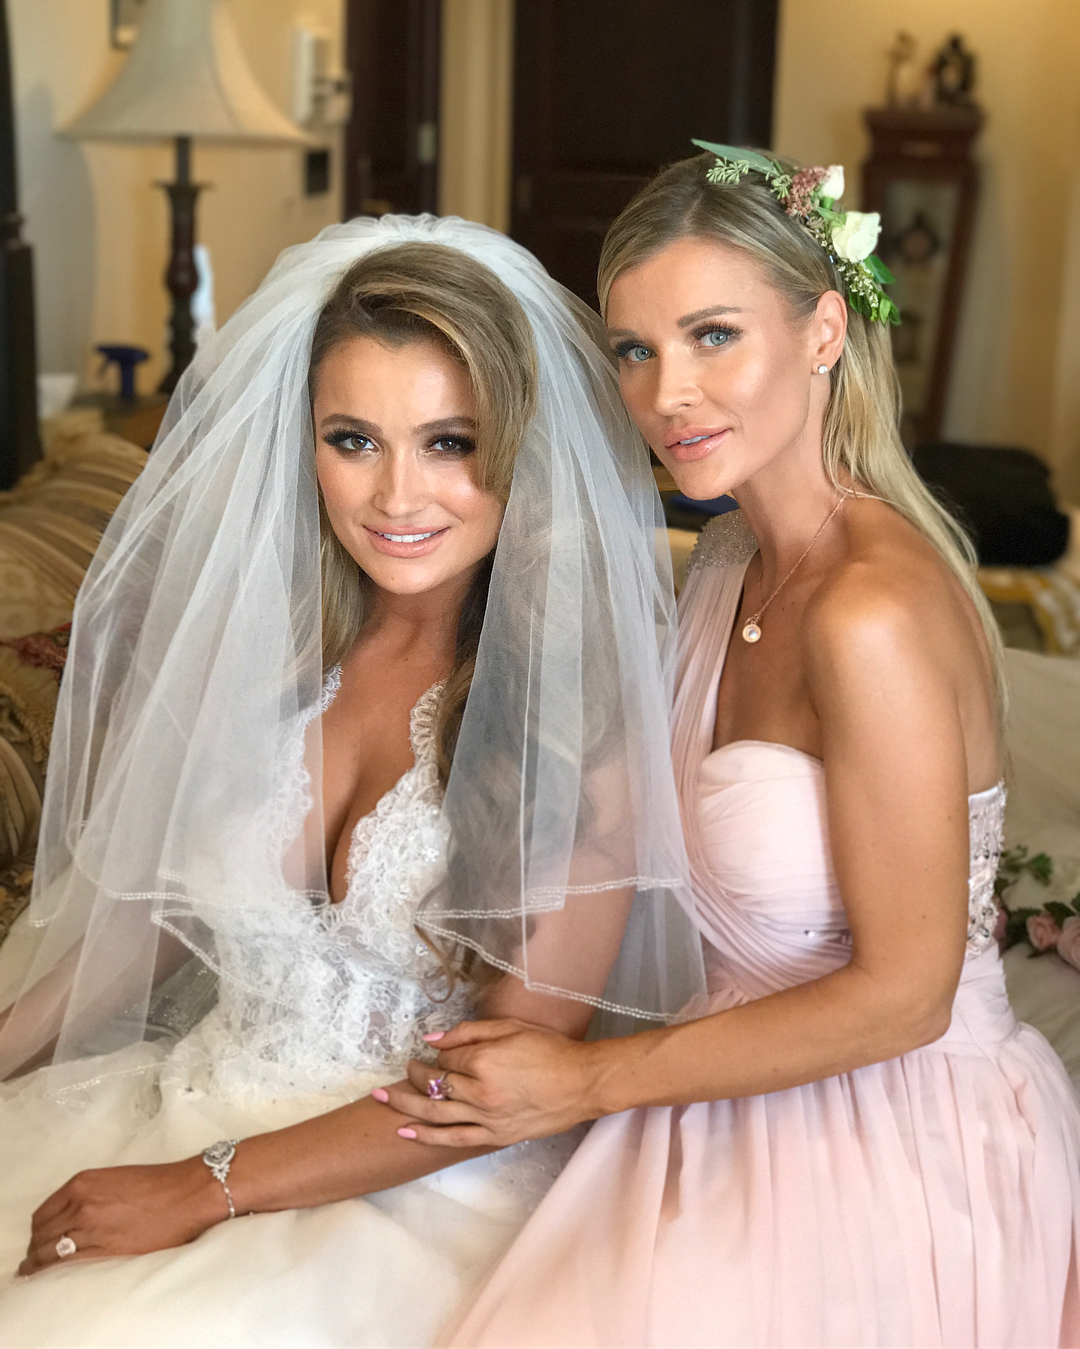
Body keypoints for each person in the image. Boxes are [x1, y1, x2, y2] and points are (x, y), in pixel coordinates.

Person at [383, 151, 1080, 1347]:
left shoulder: (870, 611)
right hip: (722, 1092)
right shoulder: (725, 562)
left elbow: (907, 997)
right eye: (636, 349)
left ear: (823, 332)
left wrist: (590, 1079)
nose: (669, 395)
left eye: (714, 335)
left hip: (892, 1129)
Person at [0, 215, 702, 1347]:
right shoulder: (267, 649)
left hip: (420, 1182)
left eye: (449, 441)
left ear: (520, 453)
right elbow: (152, 917)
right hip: (188, 1101)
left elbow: (502, 1078)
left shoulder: (582, 721)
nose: (397, 497)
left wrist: (201, 1187)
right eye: (354, 439)